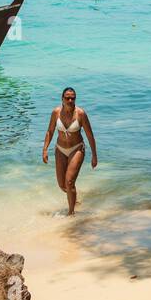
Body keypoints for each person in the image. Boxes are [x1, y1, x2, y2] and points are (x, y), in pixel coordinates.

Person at [42, 86, 97, 216]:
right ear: (62, 99)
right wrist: (44, 150)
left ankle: (71, 213)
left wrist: (94, 155)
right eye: (67, 98)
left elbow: (90, 135)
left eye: (73, 98)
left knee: (69, 181)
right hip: (60, 149)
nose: (70, 100)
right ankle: (73, 197)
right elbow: (50, 131)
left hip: (77, 148)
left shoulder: (81, 114)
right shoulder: (56, 112)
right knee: (62, 185)